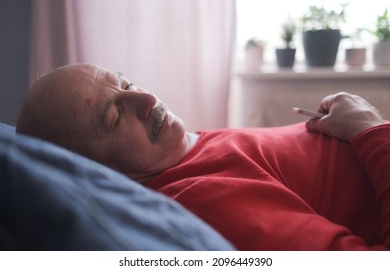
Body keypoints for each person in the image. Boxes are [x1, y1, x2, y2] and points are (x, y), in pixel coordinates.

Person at [16, 63, 390, 250]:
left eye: (126, 84)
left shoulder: (182, 152)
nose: (147, 100)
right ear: (97, 172)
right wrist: (368, 129)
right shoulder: (205, 200)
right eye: (114, 119)